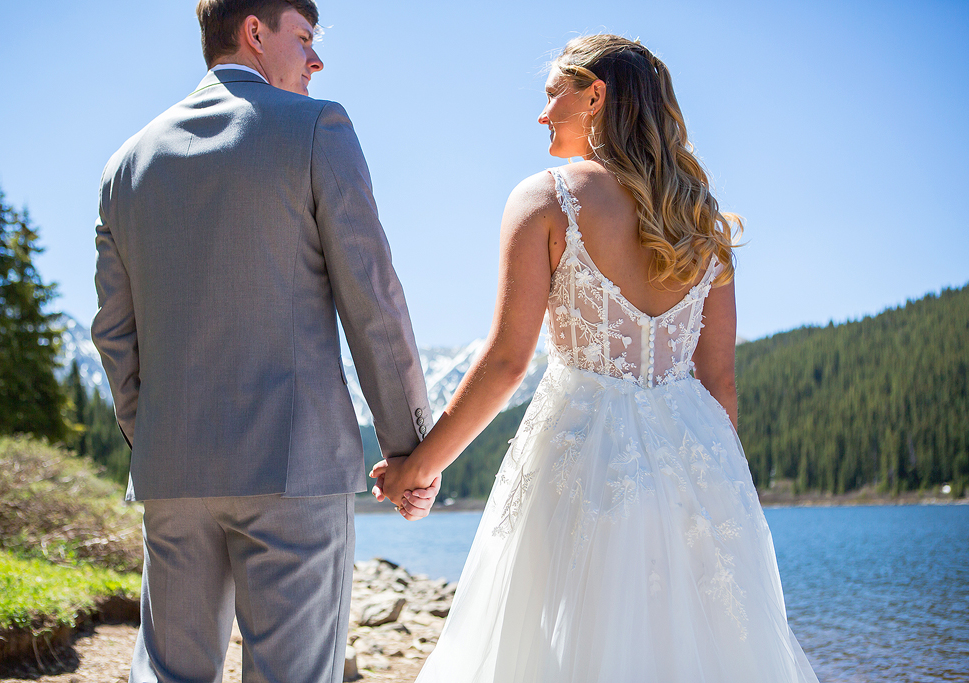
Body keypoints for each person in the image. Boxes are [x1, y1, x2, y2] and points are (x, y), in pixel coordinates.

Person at [373, 35, 821, 682]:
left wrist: (420, 465)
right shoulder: (701, 225)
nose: (542, 114)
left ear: (594, 94)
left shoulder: (546, 199)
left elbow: (505, 362)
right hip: (696, 460)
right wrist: (722, 496)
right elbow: (720, 383)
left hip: (581, 453)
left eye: (551, 95)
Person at [91, 1, 437, 681]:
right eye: (304, 38)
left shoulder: (125, 165)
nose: (317, 59)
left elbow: (114, 335)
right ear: (255, 32)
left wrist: (160, 437)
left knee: (167, 673)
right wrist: (410, 448)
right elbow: (374, 304)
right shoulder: (317, 128)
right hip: (296, 468)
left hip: (172, 471)